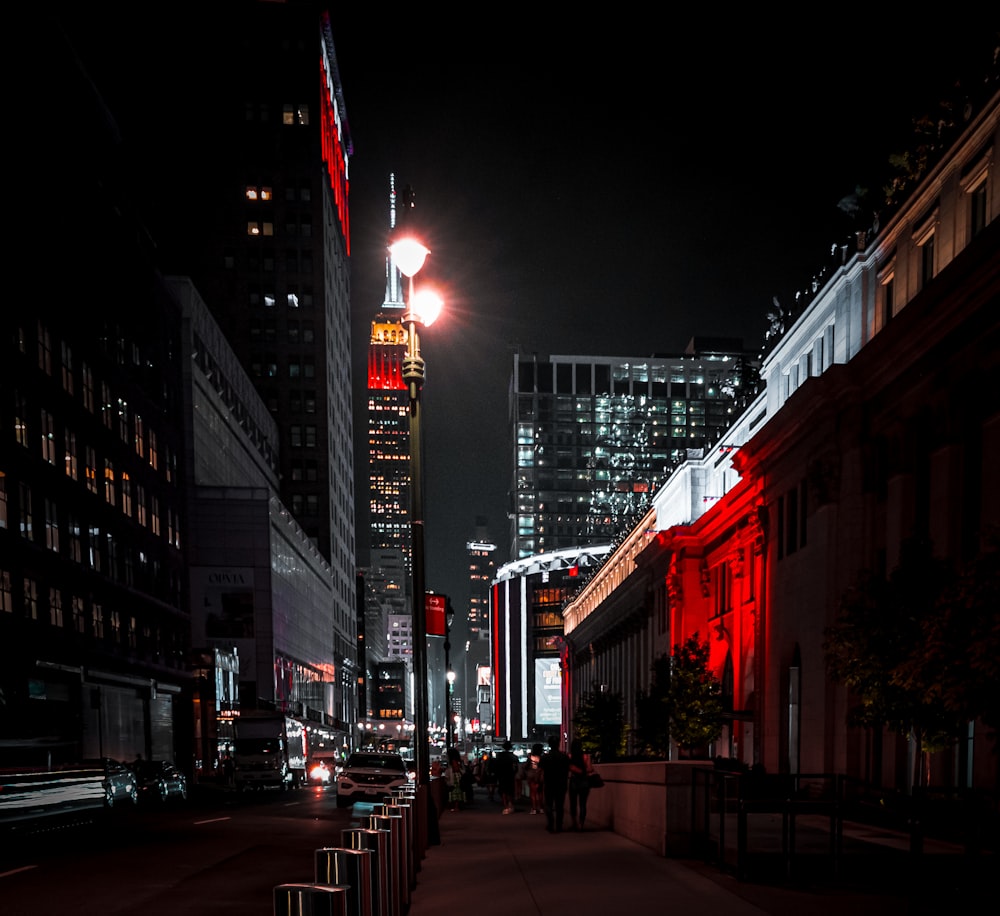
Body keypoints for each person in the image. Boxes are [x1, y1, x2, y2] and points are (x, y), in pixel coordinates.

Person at [538, 738, 570, 833]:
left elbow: (540, 770)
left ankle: (550, 823)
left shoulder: (545, 757)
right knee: (559, 805)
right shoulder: (564, 757)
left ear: (549, 744)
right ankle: (559, 825)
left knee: (548, 804)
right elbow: (568, 769)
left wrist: (539, 780)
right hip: (561, 783)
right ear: (558, 744)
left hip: (549, 783)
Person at [568, 738, 594, 831]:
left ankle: (574, 823)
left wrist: (576, 770)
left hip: (574, 781)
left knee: (573, 803)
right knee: (583, 804)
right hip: (584, 781)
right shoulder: (585, 756)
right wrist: (583, 771)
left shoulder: (570, 756)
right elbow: (590, 769)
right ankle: (581, 824)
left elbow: (569, 768)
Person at [494, 740, 518, 814]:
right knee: (510, 791)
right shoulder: (514, 757)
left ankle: (506, 806)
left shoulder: (499, 756)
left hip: (502, 775)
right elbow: (516, 767)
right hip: (510, 775)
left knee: (503, 791)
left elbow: (496, 767)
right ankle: (511, 804)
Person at [521, 743, 545, 814]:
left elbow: (525, 766)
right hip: (540, 775)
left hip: (531, 775)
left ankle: (534, 808)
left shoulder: (530, 757)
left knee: (533, 793)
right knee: (540, 793)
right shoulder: (542, 757)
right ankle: (541, 808)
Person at [444, 747, 464, 812]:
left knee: (455, 792)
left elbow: (455, 769)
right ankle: (457, 806)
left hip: (455, 777)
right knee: (457, 792)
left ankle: (456, 807)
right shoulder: (458, 760)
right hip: (458, 777)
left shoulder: (453, 761)